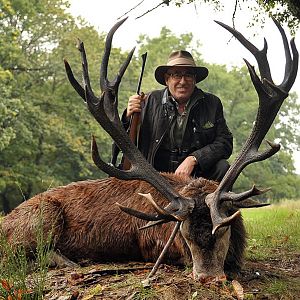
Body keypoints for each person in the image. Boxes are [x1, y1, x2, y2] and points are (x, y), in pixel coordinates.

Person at [124, 50, 233, 182]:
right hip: (154, 176)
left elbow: (225, 142)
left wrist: (194, 159)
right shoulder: (148, 101)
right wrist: (128, 117)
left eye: (188, 75)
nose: (183, 81)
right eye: (176, 75)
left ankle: (215, 203)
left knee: (223, 167)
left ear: (195, 79)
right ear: (166, 79)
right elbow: (122, 143)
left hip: (196, 176)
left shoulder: (212, 103)